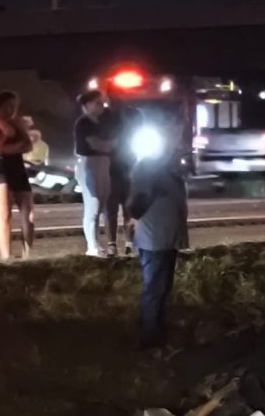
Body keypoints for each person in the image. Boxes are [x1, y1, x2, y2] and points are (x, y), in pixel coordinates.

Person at [127, 114, 189, 351]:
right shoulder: (147, 167)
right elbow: (136, 206)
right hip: (154, 239)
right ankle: (150, 342)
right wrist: (153, 193)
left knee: (162, 291)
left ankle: (159, 338)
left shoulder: (168, 169)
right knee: (154, 291)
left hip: (167, 238)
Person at [0, 92, 34, 260]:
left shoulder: (14, 123)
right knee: (0, 213)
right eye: (7, 106)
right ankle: (5, 251)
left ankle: (24, 254)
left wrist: (4, 149)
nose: (11, 110)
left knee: (23, 214)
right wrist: (2, 148)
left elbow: (26, 144)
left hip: (13, 170)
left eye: (13, 106)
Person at [74, 90, 116, 258]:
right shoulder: (83, 123)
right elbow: (97, 144)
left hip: (103, 162)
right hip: (89, 163)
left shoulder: (102, 121)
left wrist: (108, 145)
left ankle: (96, 244)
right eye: (97, 103)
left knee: (102, 203)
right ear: (87, 105)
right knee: (93, 204)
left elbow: (112, 143)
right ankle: (92, 246)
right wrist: (109, 144)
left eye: (102, 103)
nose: (101, 107)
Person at [101, 103, 140, 256]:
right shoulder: (106, 119)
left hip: (128, 169)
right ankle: (113, 244)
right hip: (112, 170)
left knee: (128, 209)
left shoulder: (133, 115)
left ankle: (129, 243)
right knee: (111, 210)